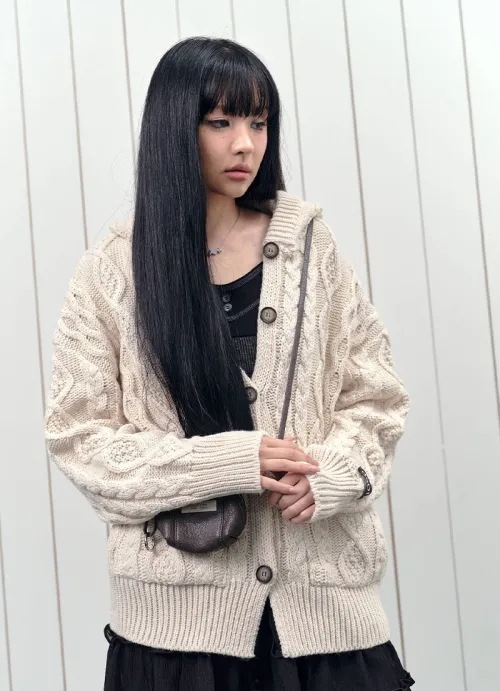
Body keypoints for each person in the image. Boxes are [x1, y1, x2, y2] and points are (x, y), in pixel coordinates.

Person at [44, 36, 415, 691]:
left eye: (259, 122)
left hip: (328, 630)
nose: (246, 144)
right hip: (177, 641)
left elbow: (376, 398)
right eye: (221, 122)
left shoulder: (310, 249)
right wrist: (228, 463)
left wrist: (331, 474)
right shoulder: (113, 271)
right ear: (175, 128)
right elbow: (81, 440)